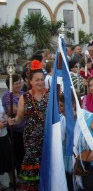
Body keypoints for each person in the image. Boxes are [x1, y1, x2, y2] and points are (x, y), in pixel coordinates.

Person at [8, 60, 48, 190]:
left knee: (48, 164)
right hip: (31, 138)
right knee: (34, 167)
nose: (40, 83)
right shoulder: (24, 97)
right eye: (37, 80)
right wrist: (14, 121)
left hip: (48, 136)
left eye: (42, 79)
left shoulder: (49, 95)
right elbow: (20, 117)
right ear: (30, 81)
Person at [58, 93, 93, 191]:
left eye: (62, 106)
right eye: (59, 105)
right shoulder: (61, 119)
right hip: (69, 166)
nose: (60, 109)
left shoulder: (87, 118)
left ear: (73, 105)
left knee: (88, 188)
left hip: (89, 163)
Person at [2, 74, 26, 176]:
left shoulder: (22, 93)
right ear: (10, 85)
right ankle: (20, 173)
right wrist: (29, 108)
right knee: (18, 152)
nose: (19, 85)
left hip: (25, 128)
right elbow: (14, 110)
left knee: (25, 152)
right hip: (15, 129)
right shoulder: (8, 95)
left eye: (20, 82)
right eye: (16, 83)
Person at [0, 100, 14, 190]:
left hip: (3, 134)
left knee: (9, 159)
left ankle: (13, 182)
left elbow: (3, 113)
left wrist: (6, 119)